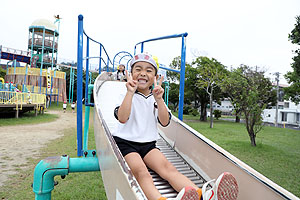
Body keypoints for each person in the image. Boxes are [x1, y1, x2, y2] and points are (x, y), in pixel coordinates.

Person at [113, 53, 238, 200]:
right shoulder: (125, 93)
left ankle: (203, 196)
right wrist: (130, 92)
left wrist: (159, 100)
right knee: (141, 172)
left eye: (148, 70)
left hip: (148, 145)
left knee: (168, 168)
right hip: (125, 144)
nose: (143, 73)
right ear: (130, 73)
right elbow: (122, 118)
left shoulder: (155, 96)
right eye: (138, 69)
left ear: (155, 76)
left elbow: (165, 122)